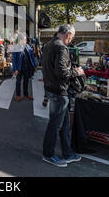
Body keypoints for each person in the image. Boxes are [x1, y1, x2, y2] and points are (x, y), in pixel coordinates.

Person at [42, 25, 85, 167]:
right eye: (71, 37)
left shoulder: (49, 45)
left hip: (52, 88)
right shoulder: (61, 47)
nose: (71, 40)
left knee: (65, 124)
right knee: (55, 125)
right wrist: (76, 72)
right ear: (67, 35)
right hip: (59, 91)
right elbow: (62, 72)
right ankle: (48, 154)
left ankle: (67, 153)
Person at [12, 33, 37, 102]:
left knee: (26, 81)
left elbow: (32, 57)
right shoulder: (15, 47)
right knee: (18, 82)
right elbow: (14, 59)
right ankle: (18, 95)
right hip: (19, 68)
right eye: (24, 39)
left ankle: (26, 94)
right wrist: (15, 69)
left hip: (27, 67)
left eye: (26, 39)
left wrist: (34, 65)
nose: (25, 41)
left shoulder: (28, 47)